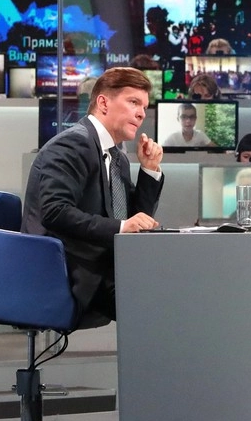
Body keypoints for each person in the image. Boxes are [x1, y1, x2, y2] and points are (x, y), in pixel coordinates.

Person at [22, 67, 164, 321]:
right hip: (70, 269)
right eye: (133, 102)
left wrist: (149, 170)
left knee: (174, 285)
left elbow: (134, 220)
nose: (141, 113)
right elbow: (55, 211)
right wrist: (122, 227)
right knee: (161, 303)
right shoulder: (73, 144)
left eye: (144, 106)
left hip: (103, 265)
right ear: (103, 103)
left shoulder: (117, 156)